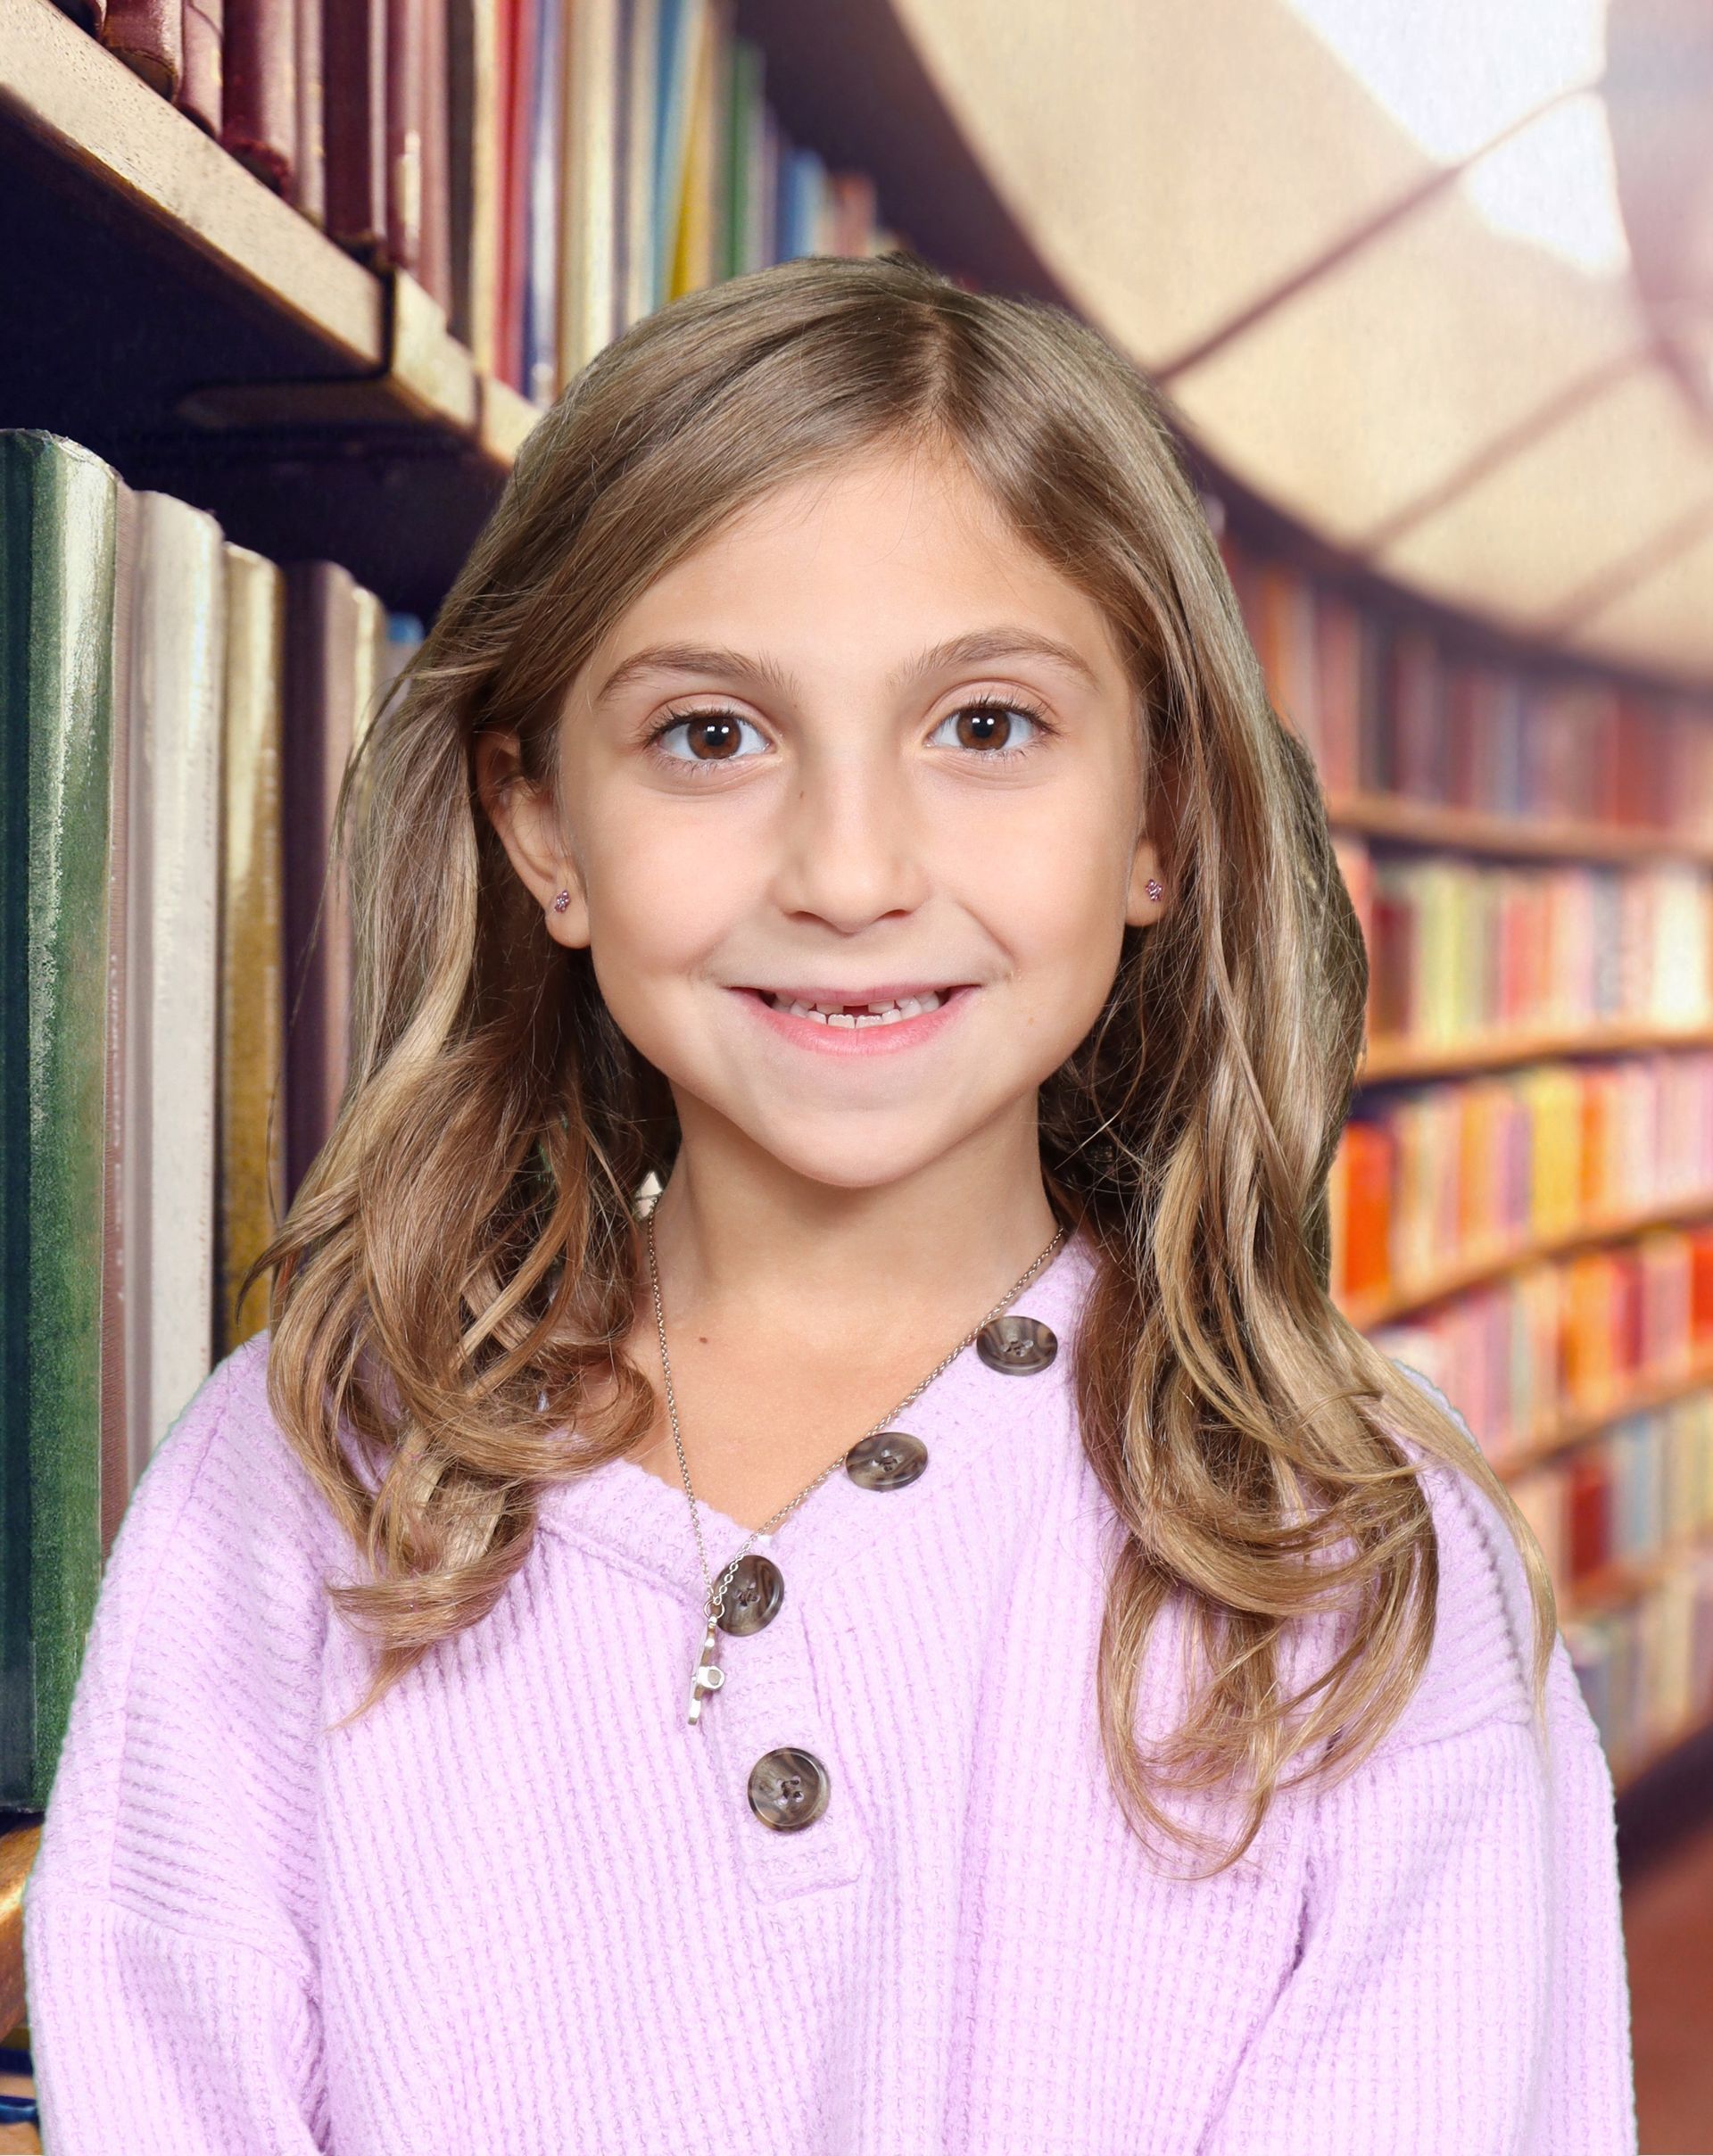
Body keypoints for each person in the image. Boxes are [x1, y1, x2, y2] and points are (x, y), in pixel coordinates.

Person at [25, 251, 1636, 2153]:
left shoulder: (1358, 1557)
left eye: (985, 726)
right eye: (713, 733)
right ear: (544, 827)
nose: (852, 869)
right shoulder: (287, 1486)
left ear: (1159, 824)